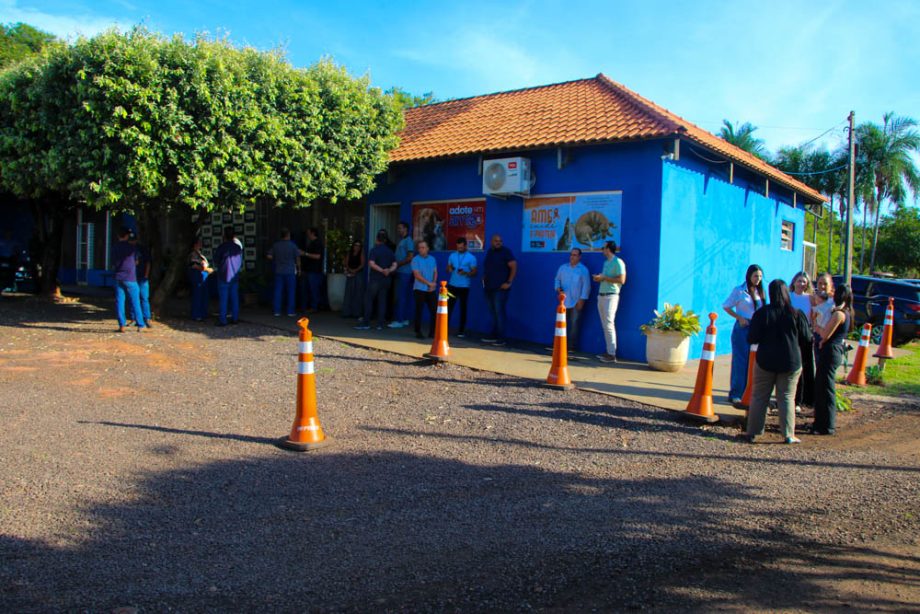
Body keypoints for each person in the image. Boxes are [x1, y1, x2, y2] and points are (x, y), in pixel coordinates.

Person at [743, 280, 812, 444]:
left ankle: (753, 432)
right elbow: (807, 338)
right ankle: (788, 434)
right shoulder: (796, 314)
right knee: (787, 397)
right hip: (791, 361)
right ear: (787, 293)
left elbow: (752, 338)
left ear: (770, 293)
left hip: (765, 360)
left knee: (759, 397)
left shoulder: (762, 313)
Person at [811, 283, 852, 436]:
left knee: (826, 389)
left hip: (830, 351)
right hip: (833, 351)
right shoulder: (846, 313)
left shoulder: (839, 314)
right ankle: (821, 422)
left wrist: (815, 324)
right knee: (822, 387)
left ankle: (827, 425)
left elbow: (825, 334)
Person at [722, 264, 765, 404]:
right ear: (749, 276)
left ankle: (750, 392)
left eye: (760, 276)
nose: (758, 279)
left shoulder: (760, 291)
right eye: (755, 276)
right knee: (741, 361)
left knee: (754, 362)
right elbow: (726, 306)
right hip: (743, 327)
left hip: (757, 328)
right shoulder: (740, 291)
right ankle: (736, 393)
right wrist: (739, 317)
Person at [355, 230, 397, 330]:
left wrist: (382, 270)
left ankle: (366, 323)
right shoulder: (390, 251)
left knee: (369, 300)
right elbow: (395, 264)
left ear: (377, 239)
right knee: (382, 301)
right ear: (385, 240)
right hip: (386, 280)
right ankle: (380, 324)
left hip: (375, 279)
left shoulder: (374, 250)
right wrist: (388, 270)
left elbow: (371, 263)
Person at [593, 241, 626, 363]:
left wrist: (604, 278)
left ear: (608, 249)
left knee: (609, 324)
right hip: (601, 295)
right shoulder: (606, 262)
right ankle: (608, 351)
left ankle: (612, 354)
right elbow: (606, 278)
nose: (602, 250)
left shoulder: (618, 262)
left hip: (611, 296)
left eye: (603, 247)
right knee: (605, 325)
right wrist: (599, 278)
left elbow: (622, 280)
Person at [482, 234, 517, 346]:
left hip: (500, 288)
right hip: (489, 287)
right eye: (496, 241)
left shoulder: (506, 252)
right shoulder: (490, 252)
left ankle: (501, 338)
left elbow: (514, 266)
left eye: (500, 241)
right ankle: (494, 335)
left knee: (499, 312)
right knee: (493, 312)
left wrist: (509, 282)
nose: (498, 242)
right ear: (491, 241)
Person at [111, 226, 147, 332]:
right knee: (135, 301)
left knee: (120, 301)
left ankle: (122, 325)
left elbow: (112, 262)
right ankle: (141, 324)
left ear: (118, 236)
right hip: (130, 277)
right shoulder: (132, 248)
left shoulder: (114, 247)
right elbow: (137, 261)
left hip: (118, 276)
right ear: (127, 236)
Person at [554, 248, 591, 352]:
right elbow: (557, 279)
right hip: (563, 302)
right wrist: (558, 288)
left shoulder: (583, 270)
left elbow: (586, 286)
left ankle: (571, 347)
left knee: (574, 325)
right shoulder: (563, 268)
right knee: (561, 324)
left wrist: (582, 300)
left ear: (579, 257)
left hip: (576, 302)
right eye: (571, 254)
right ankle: (560, 344)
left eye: (575, 255)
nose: (572, 257)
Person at [789, 271, 815, 411]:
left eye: (804, 281)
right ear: (794, 282)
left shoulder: (810, 298)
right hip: (791, 335)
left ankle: (805, 397)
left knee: (806, 366)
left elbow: (814, 316)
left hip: (805, 335)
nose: (801, 283)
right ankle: (792, 396)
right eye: (799, 281)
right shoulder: (789, 297)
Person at [446, 237, 478, 338]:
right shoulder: (452, 255)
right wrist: (450, 268)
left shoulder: (471, 258)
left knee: (463, 308)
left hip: (464, 287)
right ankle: (444, 328)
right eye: (457, 247)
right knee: (448, 307)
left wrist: (466, 273)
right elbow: (447, 269)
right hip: (452, 285)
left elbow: (475, 272)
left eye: (461, 247)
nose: (459, 249)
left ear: (465, 246)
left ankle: (461, 331)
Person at [267, 228, 301, 317]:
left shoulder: (276, 245)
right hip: (290, 271)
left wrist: (276, 259)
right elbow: (297, 258)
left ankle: (277, 311)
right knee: (291, 292)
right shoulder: (293, 246)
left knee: (278, 291)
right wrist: (299, 269)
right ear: (288, 235)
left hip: (279, 270)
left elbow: (269, 256)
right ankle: (290, 311)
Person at [214, 226, 243, 326]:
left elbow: (216, 260)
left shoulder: (221, 247)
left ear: (224, 236)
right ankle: (235, 318)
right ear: (234, 236)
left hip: (223, 275)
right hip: (234, 276)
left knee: (223, 299)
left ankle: (223, 320)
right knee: (234, 298)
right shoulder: (237, 247)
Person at [411, 240, 438, 339]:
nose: (421, 249)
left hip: (431, 290)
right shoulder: (415, 260)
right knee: (419, 311)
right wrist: (429, 283)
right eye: (419, 248)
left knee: (434, 311)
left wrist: (433, 283)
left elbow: (435, 272)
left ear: (427, 249)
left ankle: (432, 332)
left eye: (423, 247)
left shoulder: (432, 259)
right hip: (419, 289)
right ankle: (418, 331)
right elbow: (417, 275)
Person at [390, 221, 415, 328]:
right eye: (398, 228)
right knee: (403, 296)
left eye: (400, 228)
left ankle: (399, 321)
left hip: (404, 272)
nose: (398, 230)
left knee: (400, 296)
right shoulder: (402, 240)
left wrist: (397, 264)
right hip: (401, 272)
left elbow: (410, 257)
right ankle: (404, 319)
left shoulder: (408, 241)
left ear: (406, 229)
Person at [128, 231, 152, 327]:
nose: (132, 242)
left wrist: (146, 275)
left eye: (133, 240)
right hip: (132, 277)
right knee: (132, 298)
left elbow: (148, 262)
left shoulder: (142, 249)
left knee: (144, 297)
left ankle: (147, 317)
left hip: (142, 276)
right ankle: (134, 318)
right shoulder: (128, 249)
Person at [187, 237, 212, 321]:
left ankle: (202, 313)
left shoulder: (199, 254)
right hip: (197, 276)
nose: (201, 244)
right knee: (197, 296)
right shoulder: (193, 254)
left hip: (202, 277)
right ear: (195, 245)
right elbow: (194, 265)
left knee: (203, 295)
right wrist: (206, 269)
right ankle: (196, 314)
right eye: (199, 243)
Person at [300, 227, 324, 313]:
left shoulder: (317, 243)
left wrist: (305, 254)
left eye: (308, 233)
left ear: (313, 233)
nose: (307, 235)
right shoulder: (311, 243)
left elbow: (318, 256)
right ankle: (309, 306)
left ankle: (314, 307)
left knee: (313, 289)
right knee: (309, 289)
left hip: (314, 270)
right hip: (309, 270)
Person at [342, 240, 366, 318]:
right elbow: (346, 263)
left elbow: (362, 264)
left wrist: (355, 270)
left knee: (358, 293)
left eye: (359, 245)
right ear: (353, 246)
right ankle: (346, 312)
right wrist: (350, 269)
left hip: (358, 274)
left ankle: (357, 313)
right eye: (356, 245)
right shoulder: (350, 253)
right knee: (348, 293)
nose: (357, 247)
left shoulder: (361, 254)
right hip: (350, 273)